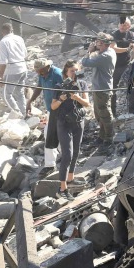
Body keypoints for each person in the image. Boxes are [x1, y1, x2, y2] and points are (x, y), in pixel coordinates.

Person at [50, 60, 89, 194]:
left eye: (76, 70)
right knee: (67, 154)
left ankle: (71, 179)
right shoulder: (59, 86)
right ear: (66, 72)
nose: (74, 73)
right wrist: (61, 99)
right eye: (72, 71)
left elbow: (87, 103)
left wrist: (76, 97)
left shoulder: (82, 84)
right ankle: (62, 188)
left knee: (76, 152)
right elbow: (53, 106)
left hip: (78, 122)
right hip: (64, 123)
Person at [80, 35, 117, 148]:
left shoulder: (105, 56)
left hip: (102, 88)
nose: (96, 44)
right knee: (99, 114)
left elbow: (85, 62)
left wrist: (89, 51)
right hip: (99, 87)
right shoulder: (108, 52)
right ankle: (102, 136)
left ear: (104, 44)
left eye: (98, 42)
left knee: (105, 114)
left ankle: (109, 138)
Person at [27, 58, 64, 167]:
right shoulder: (42, 74)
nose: (39, 74)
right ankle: (62, 156)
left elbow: (65, 92)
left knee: (51, 135)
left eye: (41, 71)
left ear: (47, 67)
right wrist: (30, 101)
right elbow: (39, 87)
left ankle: (51, 164)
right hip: (50, 110)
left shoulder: (57, 74)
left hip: (60, 110)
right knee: (54, 135)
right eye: (37, 72)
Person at [0, 22, 28, 115]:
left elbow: (3, 62)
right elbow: (25, 54)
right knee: (20, 93)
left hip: (13, 71)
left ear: (2, 32)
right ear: (12, 30)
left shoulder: (3, 42)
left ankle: (17, 114)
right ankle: (24, 113)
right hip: (23, 69)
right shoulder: (19, 38)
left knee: (6, 95)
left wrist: (1, 77)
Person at [109, 19, 134, 116]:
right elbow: (113, 48)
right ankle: (113, 112)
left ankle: (131, 111)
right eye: (121, 24)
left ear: (129, 27)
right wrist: (127, 49)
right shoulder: (114, 35)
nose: (122, 26)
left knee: (131, 87)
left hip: (127, 64)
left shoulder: (131, 35)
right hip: (115, 65)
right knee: (113, 88)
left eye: (125, 25)